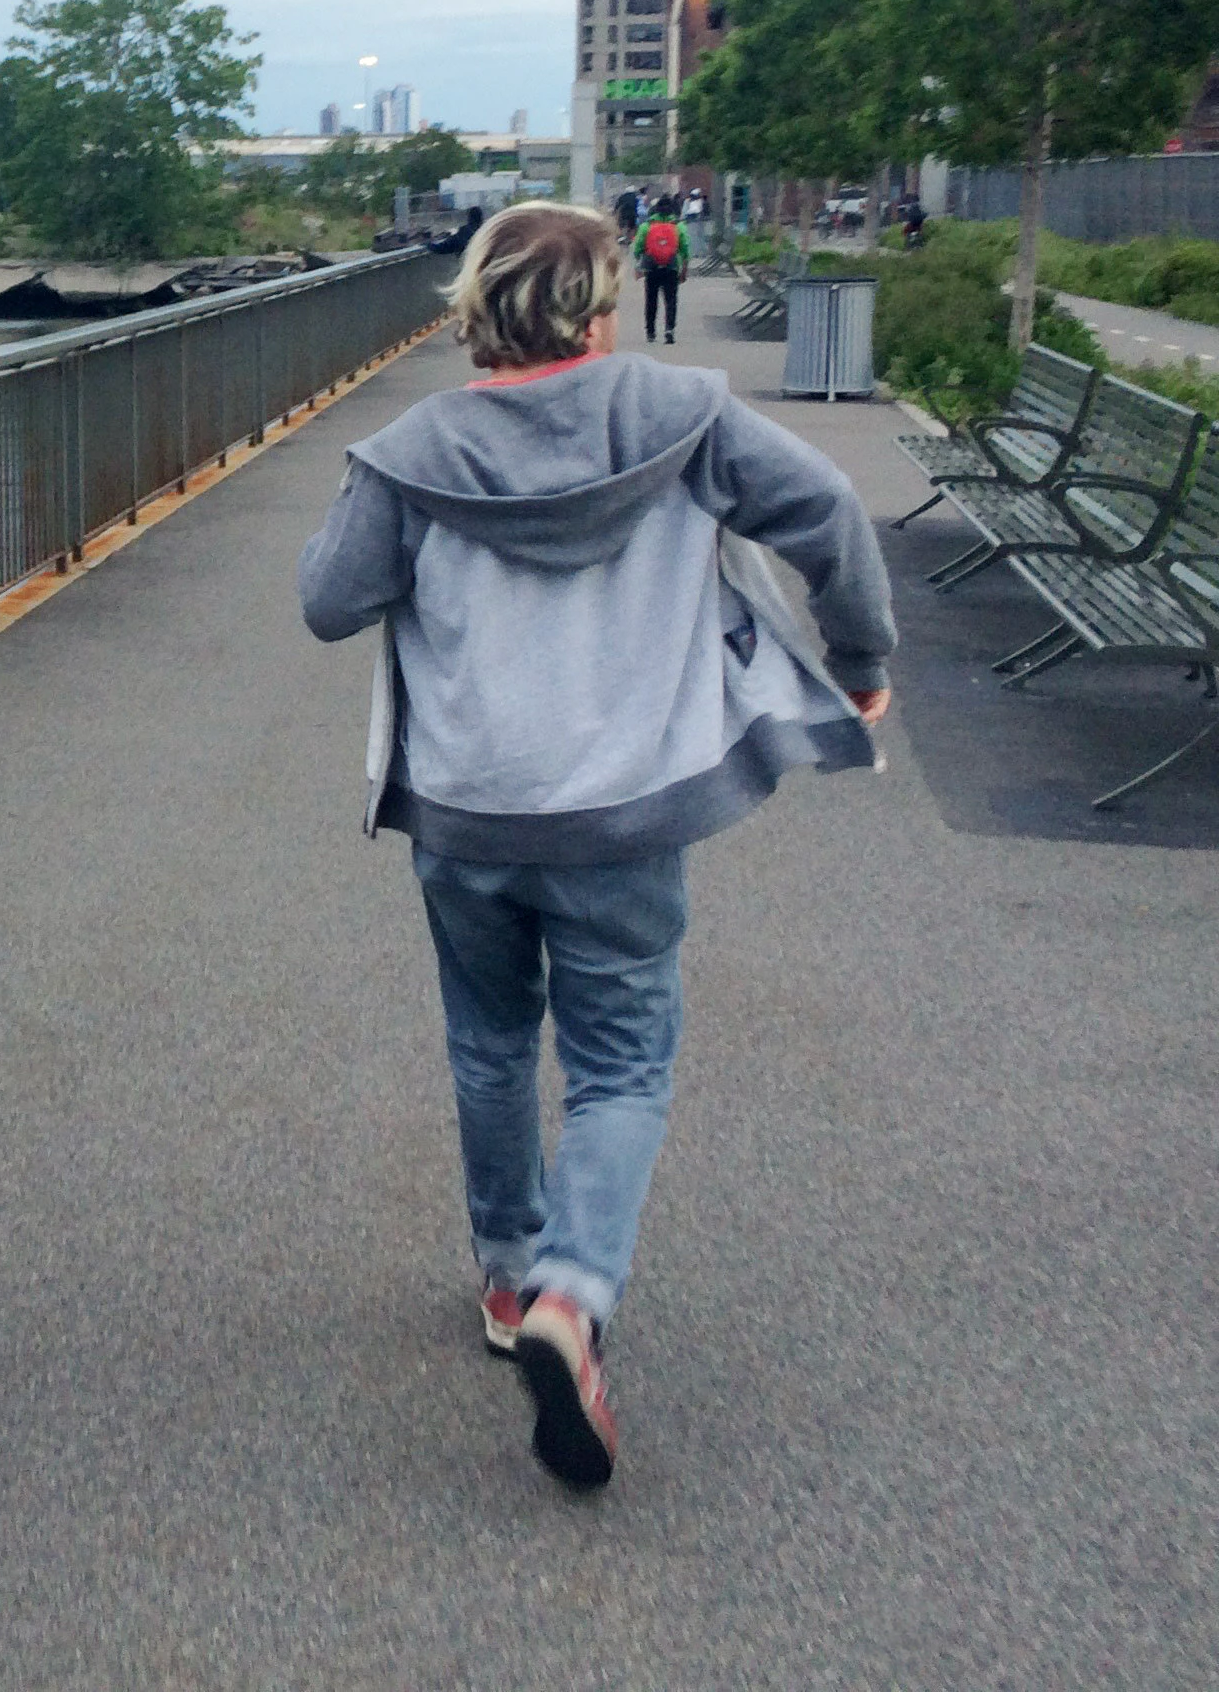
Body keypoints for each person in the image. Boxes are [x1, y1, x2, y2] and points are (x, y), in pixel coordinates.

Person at [296, 203, 892, 1490]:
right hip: (625, 812)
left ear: (475, 309)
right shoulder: (683, 419)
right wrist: (860, 659)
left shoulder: (408, 453)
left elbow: (328, 603)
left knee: (491, 1043)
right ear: (602, 311)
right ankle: (575, 1293)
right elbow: (829, 507)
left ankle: (512, 1278)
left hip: (467, 808)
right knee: (621, 1067)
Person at [633, 193, 688, 344]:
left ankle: (650, 332)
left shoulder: (646, 226)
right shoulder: (679, 226)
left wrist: (639, 265)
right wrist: (684, 269)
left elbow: (637, 248)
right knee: (671, 299)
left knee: (651, 299)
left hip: (652, 267)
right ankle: (669, 329)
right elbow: (685, 249)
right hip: (671, 266)